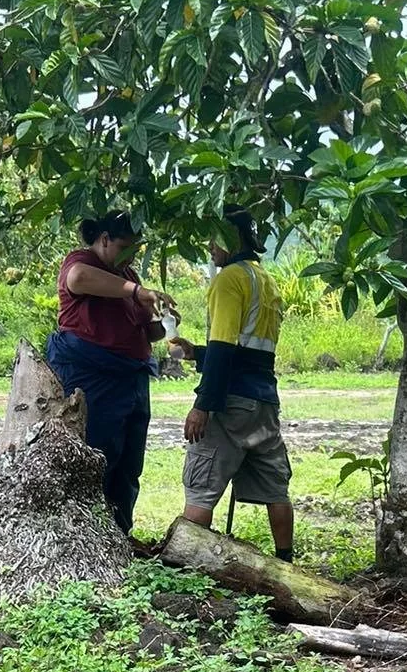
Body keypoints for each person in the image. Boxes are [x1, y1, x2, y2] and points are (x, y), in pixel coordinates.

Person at [171, 211, 293, 559]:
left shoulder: (229, 279)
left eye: (214, 238)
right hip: (264, 401)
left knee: (201, 487)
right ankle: (286, 561)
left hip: (230, 403)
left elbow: (225, 349)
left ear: (231, 237)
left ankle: (184, 569)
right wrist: (198, 353)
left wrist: (202, 405)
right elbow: (250, 353)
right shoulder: (265, 280)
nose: (210, 247)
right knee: (276, 491)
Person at [45, 211, 165, 531]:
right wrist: (136, 291)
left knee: (128, 465)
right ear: (104, 240)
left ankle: (119, 534)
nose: (130, 256)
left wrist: (163, 321)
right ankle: (86, 534)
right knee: (95, 459)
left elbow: (147, 330)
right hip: (93, 376)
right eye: (125, 248)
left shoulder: (128, 276)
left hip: (132, 379)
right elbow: (78, 279)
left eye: (135, 250)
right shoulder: (81, 261)